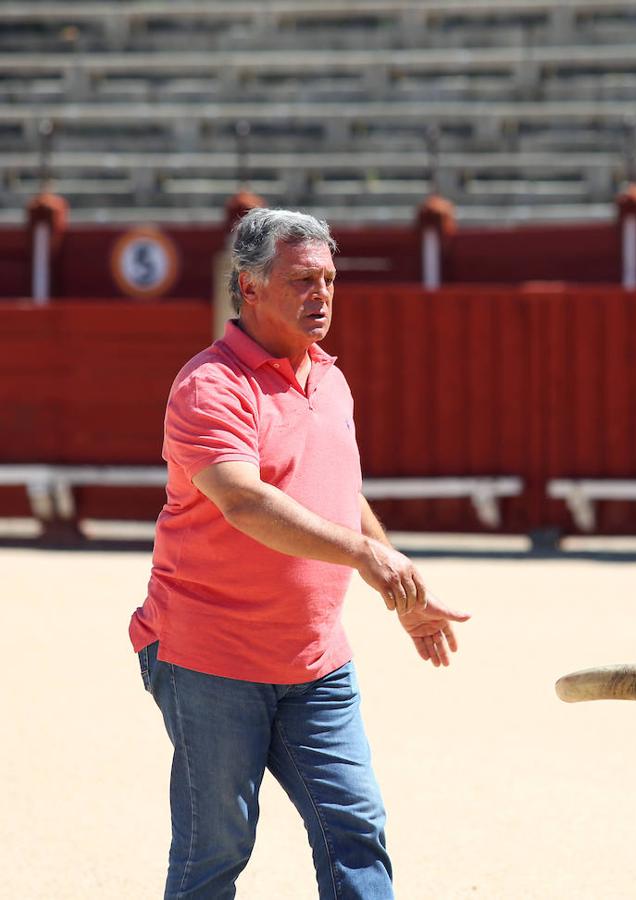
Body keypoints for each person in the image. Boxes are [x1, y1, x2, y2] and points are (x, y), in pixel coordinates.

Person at [129, 207, 470, 899]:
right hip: (209, 657)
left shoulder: (330, 378)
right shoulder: (210, 386)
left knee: (356, 827)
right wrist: (365, 558)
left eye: (329, 280)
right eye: (302, 280)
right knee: (215, 849)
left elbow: (341, 492)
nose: (321, 296)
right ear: (249, 288)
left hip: (316, 660)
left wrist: (395, 582)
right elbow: (246, 502)